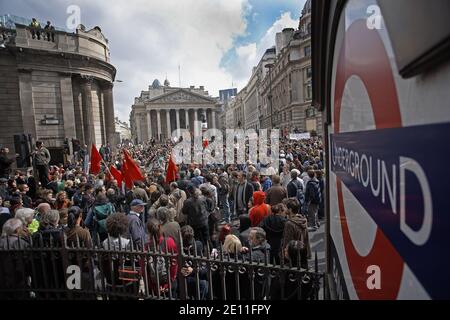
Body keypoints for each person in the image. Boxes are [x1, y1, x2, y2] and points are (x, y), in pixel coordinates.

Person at [145, 218, 178, 297]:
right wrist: (169, 283)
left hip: (153, 285)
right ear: (160, 228)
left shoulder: (146, 247)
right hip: (169, 282)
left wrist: (153, 286)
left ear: (148, 231)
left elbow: (144, 270)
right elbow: (174, 264)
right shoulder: (169, 241)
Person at [282, 198, 311, 264]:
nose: (284, 209)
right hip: (302, 252)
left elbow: (287, 241)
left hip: (293, 255)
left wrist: (284, 255)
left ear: (290, 210)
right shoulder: (303, 219)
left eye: (286, 207)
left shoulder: (289, 224)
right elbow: (306, 238)